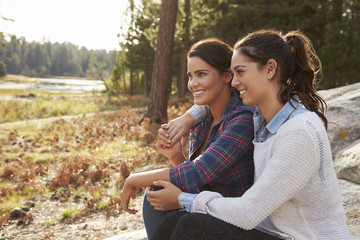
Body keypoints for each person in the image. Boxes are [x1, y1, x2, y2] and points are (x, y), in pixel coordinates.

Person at [148, 29, 351, 239]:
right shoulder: (263, 118)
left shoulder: (298, 132)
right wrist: (188, 118)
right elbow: (215, 100)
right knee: (175, 220)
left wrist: (183, 199)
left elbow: (248, 212)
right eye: (233, 74)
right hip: (274, 233)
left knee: (193, 224)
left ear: (270, 69)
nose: (234, 82)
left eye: (240, 72)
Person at [120, 38, 255, 239]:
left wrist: (133, 179)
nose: (192, 84)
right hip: (205, 211)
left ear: (226, 76)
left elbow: (200, 172)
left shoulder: (243, 119)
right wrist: (176, 155)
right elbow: (201, 184)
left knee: (180, 216)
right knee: (156, 193)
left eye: (202, 74)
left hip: (234, 220)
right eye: (190, 76)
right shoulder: (203, 121)